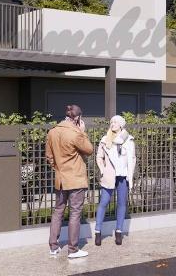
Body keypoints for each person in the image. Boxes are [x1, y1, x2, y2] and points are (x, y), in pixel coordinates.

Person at [45, 104, 94, 258]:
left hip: (60, 179)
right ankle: (73, 249)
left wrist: (58, 168)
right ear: (78, 118)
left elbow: (49, 157)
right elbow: (89, 150)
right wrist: (82, 132)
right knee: (75, 213)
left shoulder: (52, 132)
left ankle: (53, 246)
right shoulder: (76, 133)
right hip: (76, 179)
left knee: (58, 211)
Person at [94, 115, 136, 246]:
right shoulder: (105, 139)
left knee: (122, 204)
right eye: (111, 122)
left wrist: (131, 175)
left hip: (123, 176)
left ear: (121, 124)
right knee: (103, 202)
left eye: (115, 122)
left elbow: (132, 159)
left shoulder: (129, 140)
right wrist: (102, 169)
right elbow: (99, 157)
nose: (113, 124)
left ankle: (119, 231)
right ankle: (98, 232)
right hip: (109, 176)